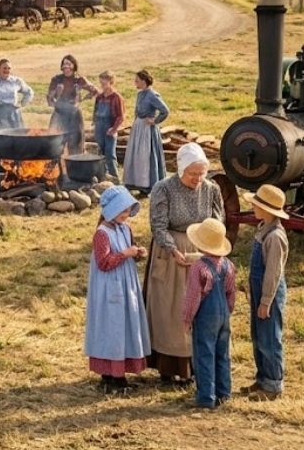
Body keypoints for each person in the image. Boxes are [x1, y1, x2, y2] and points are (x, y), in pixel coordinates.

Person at [144, 142, 223, 384]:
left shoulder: (211, 189)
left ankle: (195, 366)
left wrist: (212, 245)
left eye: (202, 173)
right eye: (193, 174)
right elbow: (158, 225)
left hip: (201, 252)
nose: (198, 179)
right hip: (171, 254)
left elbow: (218, 219)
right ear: (180, 170)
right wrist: (173, 249)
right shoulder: (163, 188)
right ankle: (167, 368)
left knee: (199, 310)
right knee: (170, 310)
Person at [85, 185, 151, 394]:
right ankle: (112, 375)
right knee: (112, 328)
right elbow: (103, 262)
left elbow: (129, 248)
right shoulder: (102, 234)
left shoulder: (124, 228)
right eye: (123, 211)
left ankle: (120, 370)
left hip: (125, 284)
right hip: (109, 289)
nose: (126, 214)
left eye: (128, 210)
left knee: (125, 326)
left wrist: (137, 252)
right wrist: (125, 253)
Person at [181, 217, 236, 409]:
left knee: (204, 354)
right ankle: (224, 393)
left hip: (206, 315)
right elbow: (231, 292)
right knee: (223, 354)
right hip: (223, 315)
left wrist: (187, 319)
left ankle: (206, 397)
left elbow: (193, 296)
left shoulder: (199, 267)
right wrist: (228, 311)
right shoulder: (228, 265)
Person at [241, 184, 289, 401]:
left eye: (256, 204)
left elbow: (273, 272)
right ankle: (262, 378)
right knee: (259, 335)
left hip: (269, 292)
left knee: (270, 337)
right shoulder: (263, 228)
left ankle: (273, 384)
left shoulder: (275, 237)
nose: (252, 206)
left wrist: (266, 300)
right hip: (259, 290)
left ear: (268, 210)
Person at [122, 69, 169, 193]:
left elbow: (165, 110)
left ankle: (147, 185)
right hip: (138, 128)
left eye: (137, 81)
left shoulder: (153, 95)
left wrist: (155, 121)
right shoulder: (140, 94)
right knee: (135, 156)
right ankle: (134, 183)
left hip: (147, 130)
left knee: (145, 157)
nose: (135, 83)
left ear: (144, 81)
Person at [47, 54, 97, 155]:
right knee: (54, 142)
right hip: (59, 114)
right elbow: (49, 98)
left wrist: (84, 97)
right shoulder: (56, 79)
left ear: (74, 66)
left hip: (74, 114)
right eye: (64, 64)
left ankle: (75, 167)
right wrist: (57, 91)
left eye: (69, 64)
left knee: (76, 143)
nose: (66, 66)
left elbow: (95, 90)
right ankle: (55, 168)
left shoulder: (79, 79)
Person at [92, 71, 125, 180]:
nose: (102, 85)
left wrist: (114, 128)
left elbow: (121, 116)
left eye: (104, 83)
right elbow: (95, 111)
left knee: (110, 155)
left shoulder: (116, 97)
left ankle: (115, 179)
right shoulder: (99, 97)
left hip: (109, 127)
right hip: (99, 127)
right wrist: (94, 122)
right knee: (99, 153)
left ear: (111, 82)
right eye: (101, 82)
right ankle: (102, 177)